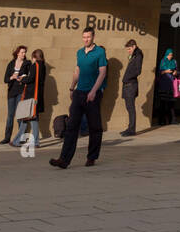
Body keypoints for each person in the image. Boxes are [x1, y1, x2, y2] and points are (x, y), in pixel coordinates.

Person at [50, 28, 107, 169]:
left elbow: (102, 73)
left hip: (93, 94)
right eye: (84, 37)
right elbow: (77, 71)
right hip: (79, 93)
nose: (86, 39)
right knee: (71, 126)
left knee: (95, 127)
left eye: (88, 37)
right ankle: (64, 160)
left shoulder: (100, 52)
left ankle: (92, 157)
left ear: (93, 37)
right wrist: (71, 87)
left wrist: (94, 91)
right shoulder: (80, 52)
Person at [13, 47, 46, 147]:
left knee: (27, 118)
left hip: (31, 95)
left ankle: (18, 141)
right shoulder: (43, 66)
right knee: (30, 118)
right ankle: (26, 141)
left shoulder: (34, 65)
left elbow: (31, 79)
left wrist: (21, 78)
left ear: (34, 57)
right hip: (37, 96)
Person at [1, 45, 32, 143]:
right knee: (10, 115)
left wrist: (23, 77)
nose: (24, 54)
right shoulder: (11, 64)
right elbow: (5, 79)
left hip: (21, 91)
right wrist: (12, 77)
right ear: (17, 53)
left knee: (20, 115)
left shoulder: (27, 63)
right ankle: (7, 138)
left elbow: (30, 76)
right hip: (11, 92)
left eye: (25, 52)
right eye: (22, 52)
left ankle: (21, 137)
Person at [120, 38, 144, 137]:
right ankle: (130, 128)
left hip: (131, 85)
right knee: (129, 108)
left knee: (131, 108)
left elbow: (138, 71)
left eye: (129, 49)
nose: (128, 51)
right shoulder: (134, 55)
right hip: (127, 85)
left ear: (134, 46)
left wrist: (127, 78)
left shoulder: (138, 56)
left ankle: (131, 130)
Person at [155, 48, 179, 126]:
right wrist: (165, 71)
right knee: (162, 103)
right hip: (163, 85)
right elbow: (159, 72)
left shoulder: (174, 62)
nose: (170, 56)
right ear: (166, 55)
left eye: (171, 55)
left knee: (171, 104)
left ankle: (172, 120)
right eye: (169, 55)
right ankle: (161, 121)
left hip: (172, 86)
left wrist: (176, 72)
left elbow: (178, 71)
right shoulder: (163, 61)